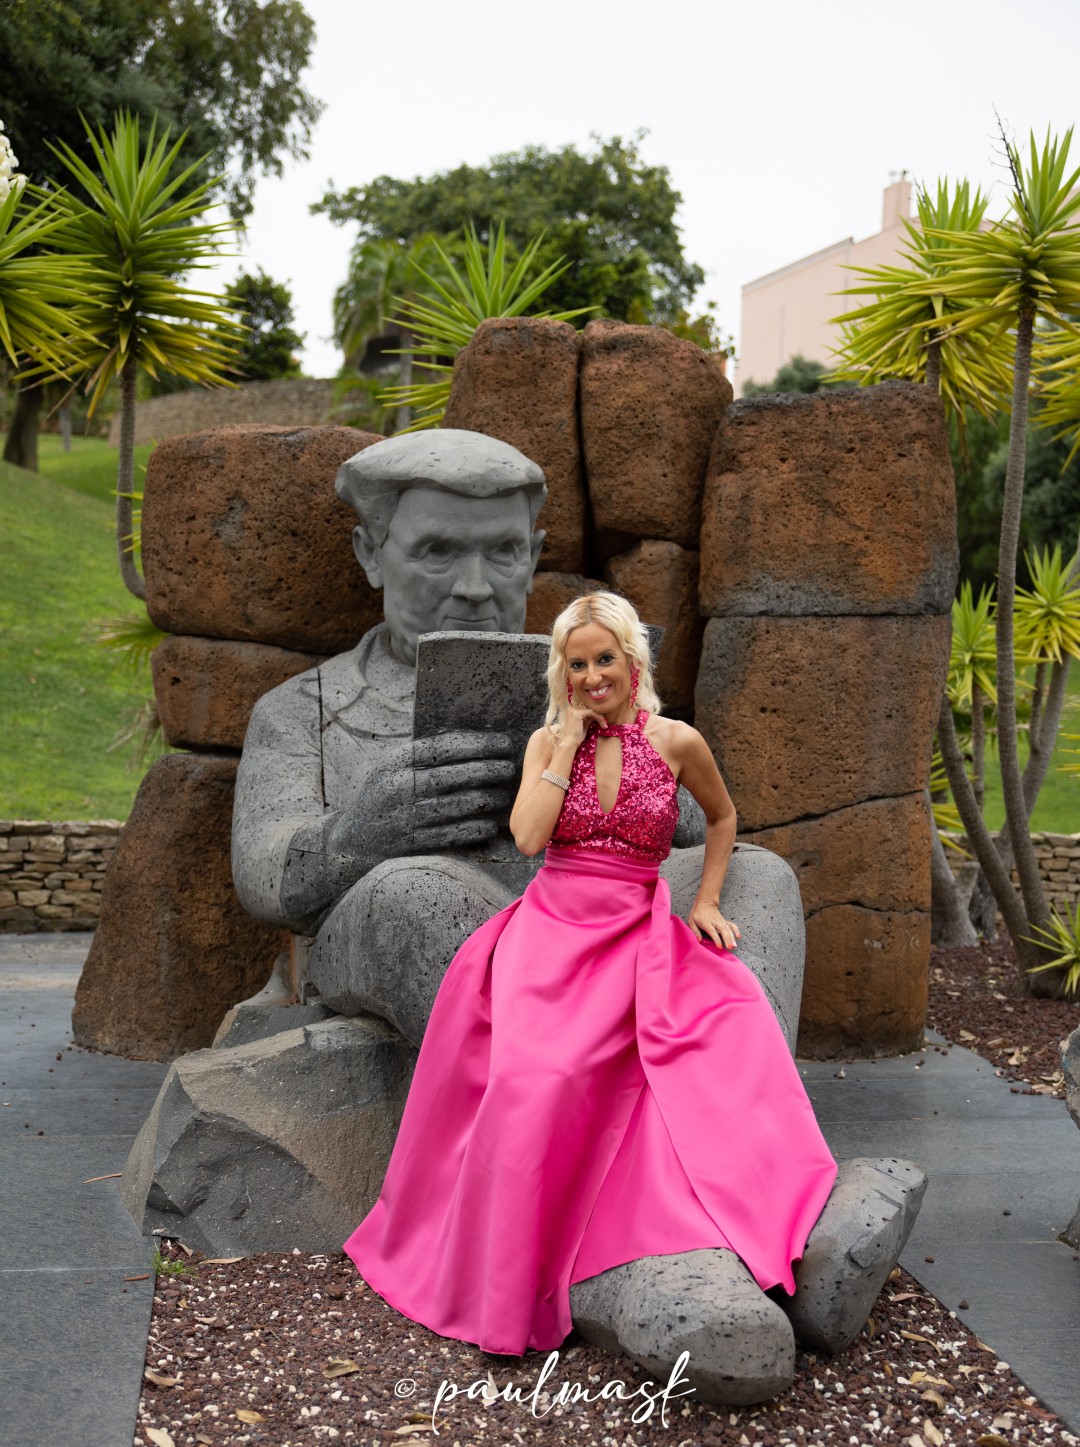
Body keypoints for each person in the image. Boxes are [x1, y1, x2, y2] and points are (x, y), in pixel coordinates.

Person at [343, 590, 839, 1359]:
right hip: (549, 932)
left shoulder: (677, 740)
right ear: (563, 674)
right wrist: (566, 745)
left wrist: (707, 899)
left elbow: (723, 817)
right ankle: (506, 1282)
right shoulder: (547, 742)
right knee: (531, 1079)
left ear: (632, 660)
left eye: (604, 658)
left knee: (693, 1040)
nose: (592, 675)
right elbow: (526, 837)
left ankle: (664, 1245)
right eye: (576, 664)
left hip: (633, 929)